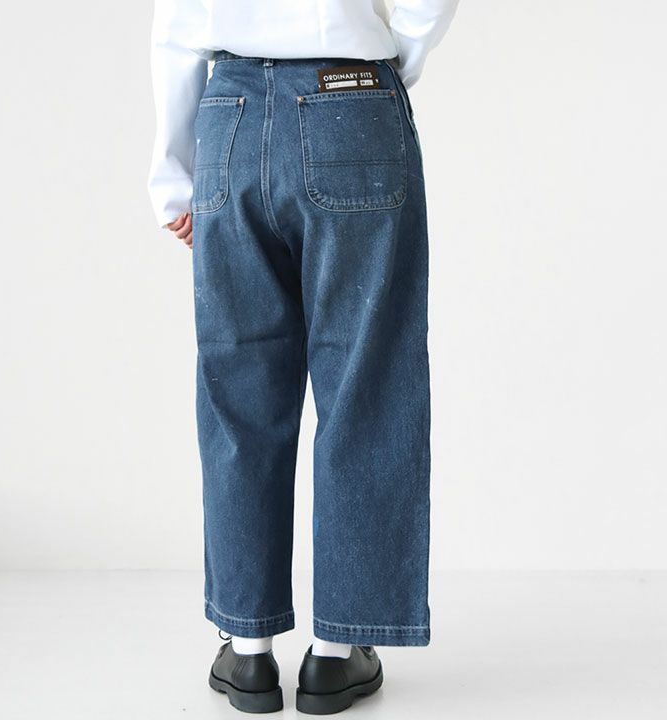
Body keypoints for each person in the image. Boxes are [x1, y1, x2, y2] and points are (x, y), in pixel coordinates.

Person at [147, 0, 459, 713]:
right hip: (353, 101)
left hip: (228, 114)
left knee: (238, 388)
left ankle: (247, 648)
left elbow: (177, 23)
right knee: (366, 383)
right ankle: (337, 653)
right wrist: (387, 59)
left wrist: (171, 173)